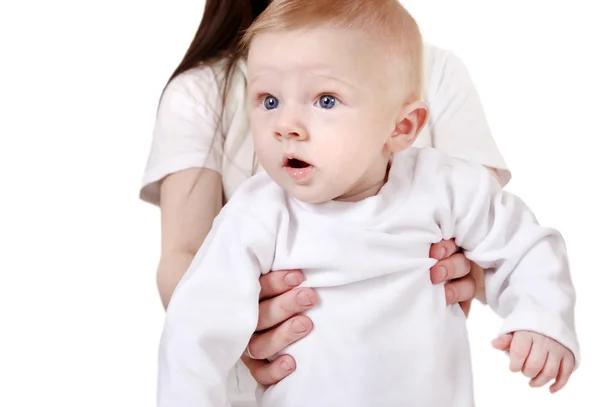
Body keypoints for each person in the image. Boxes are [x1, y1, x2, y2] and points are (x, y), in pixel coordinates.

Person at [154, 1, 579, 406]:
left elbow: (523, 247)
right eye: (269, 101)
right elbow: (195, 328)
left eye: (325, 100)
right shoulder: (257, 213)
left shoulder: (445, 186)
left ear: (402, 126)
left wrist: (541, 318)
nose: (285, 126)